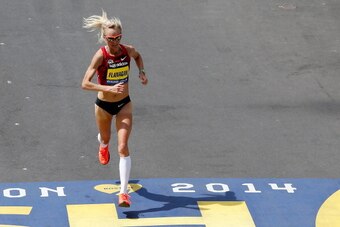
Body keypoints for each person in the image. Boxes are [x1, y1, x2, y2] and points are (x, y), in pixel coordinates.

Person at [81, 10, 148, 207]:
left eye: (118, 38)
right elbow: (85, 83)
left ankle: (124, 193)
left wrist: (142, 73)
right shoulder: (100, 56)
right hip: (103, 105)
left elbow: (138, 57)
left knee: (122, 147)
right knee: (106, 138)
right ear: (104, 38)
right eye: (111, 39)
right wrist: (107, 88)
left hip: (124, 104)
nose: (115, 42)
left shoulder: (127, 50)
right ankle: (102, 144)